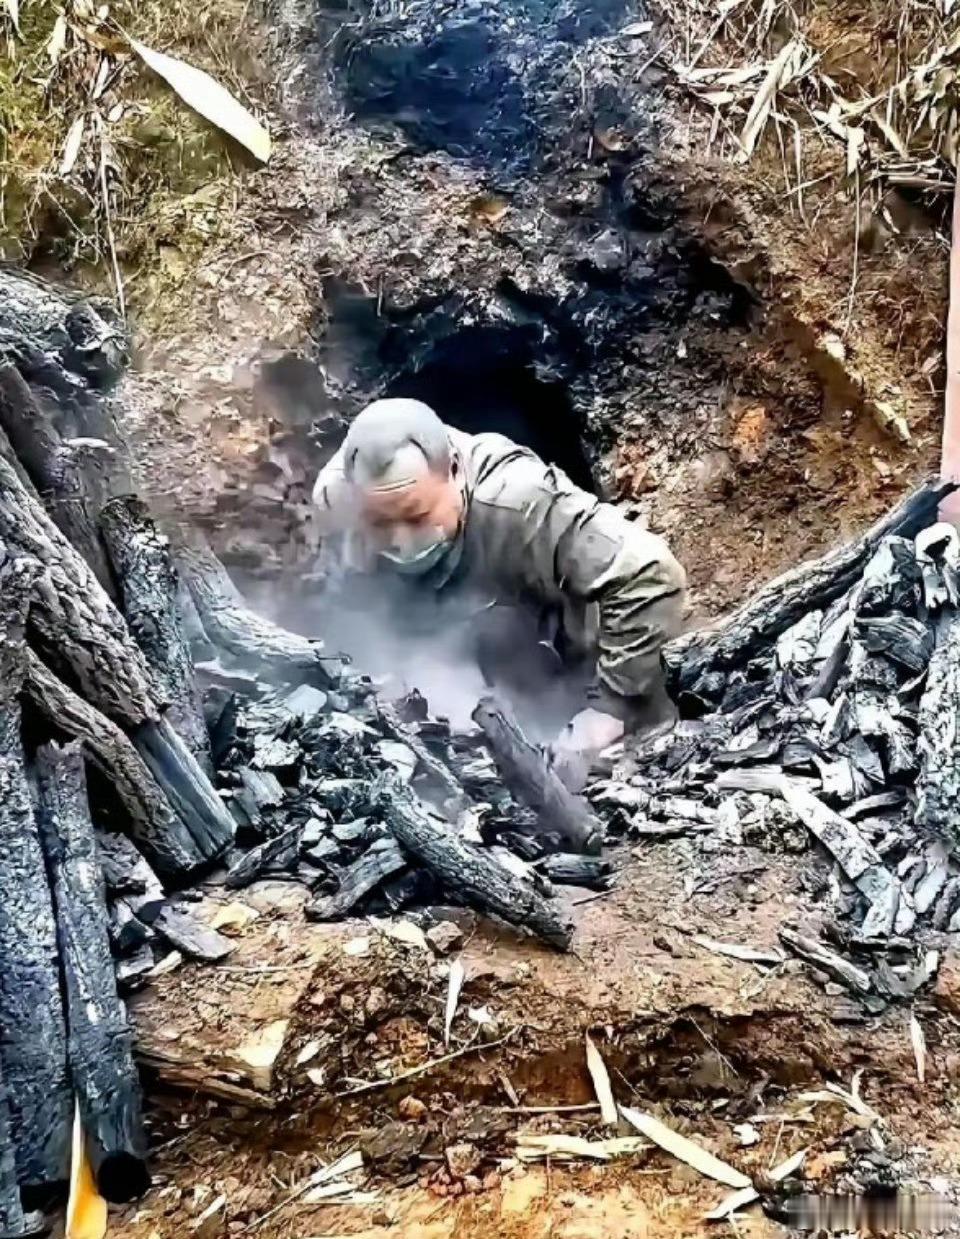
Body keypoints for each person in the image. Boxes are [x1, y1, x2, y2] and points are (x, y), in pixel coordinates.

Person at [312, 398, 686, 784]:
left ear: (455, 472)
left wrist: (610, 708)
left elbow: (650, 573)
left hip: (572, 663)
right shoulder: (336, 502)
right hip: (456, 664)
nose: (401, 542)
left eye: (417, 517)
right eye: (380, 523)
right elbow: (353, 607)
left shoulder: (518, 500)